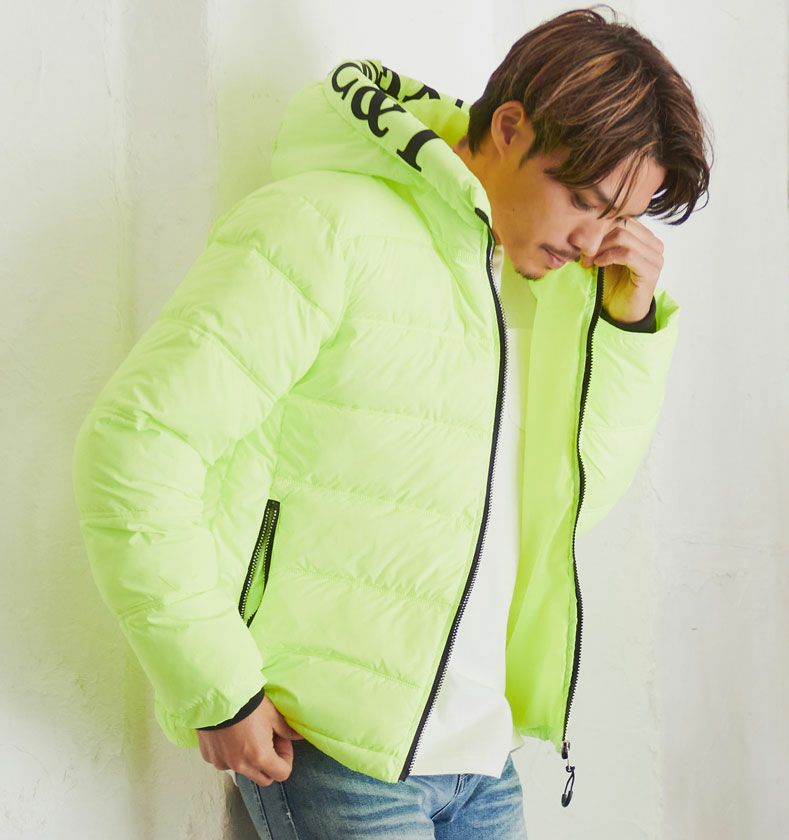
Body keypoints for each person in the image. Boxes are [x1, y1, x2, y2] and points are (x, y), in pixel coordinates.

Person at [71, 5, 712, 838]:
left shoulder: (552, 291)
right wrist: (214, 685)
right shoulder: (325, 227)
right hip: (334, 751)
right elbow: (136, 444)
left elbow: (572, 501)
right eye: (585, 201)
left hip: (484, 756)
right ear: (509, 127)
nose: (594, 242)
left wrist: (626, 330)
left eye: (620, 220)